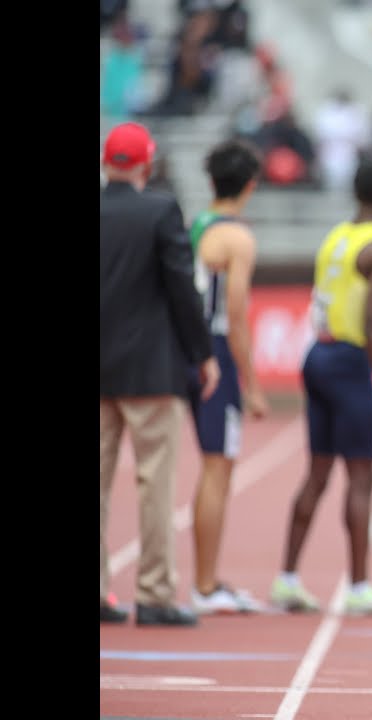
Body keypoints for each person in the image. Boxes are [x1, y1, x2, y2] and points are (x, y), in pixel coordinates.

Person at [270, 153, 372, 616]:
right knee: (360, 476)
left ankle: (287, 578)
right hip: (350, 361)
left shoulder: (335, 237)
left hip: (317, 354)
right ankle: (359, 587)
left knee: (316, 473)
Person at [101, 121, 219, 627]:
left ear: (108, 163)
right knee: (155, 484)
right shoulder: (161, 210)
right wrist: (203, 353)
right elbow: (181, 289)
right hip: (151, 370)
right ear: (147, 164)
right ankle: (153, 593)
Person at [186, 138, 272, 615]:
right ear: (251, 186)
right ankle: (204, 584)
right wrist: (253, 384)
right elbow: (235, 316)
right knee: (218, 466)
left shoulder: (197, 224)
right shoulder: (238, 238)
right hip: (215, 351)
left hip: (183, 348)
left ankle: (205, 581)